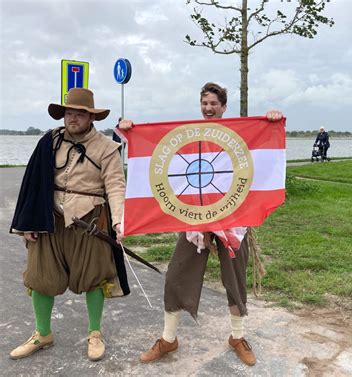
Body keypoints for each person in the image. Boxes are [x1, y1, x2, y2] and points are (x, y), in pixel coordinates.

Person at [119, 82, 283, 366]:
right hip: (194, 220)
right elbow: (156, 151)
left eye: (214, 104)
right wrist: (127, 129)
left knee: (235, 280)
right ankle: (168, 340)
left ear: (223, 107)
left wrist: (271, 121)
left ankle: (237, 336)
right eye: (204, 103)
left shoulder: (237, 134)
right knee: (176, 276)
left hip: (232, 222)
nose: (208, 108)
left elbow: (261, 153)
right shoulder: (187, 134)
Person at [9, 88, 128, 362]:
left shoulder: (107, 148)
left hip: (90, 223)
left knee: (95, 278)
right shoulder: (49, 142)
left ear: (91, 117)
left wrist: (119, 220)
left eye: (80, 113)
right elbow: (33, 183)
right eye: (69, 113)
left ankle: (95, 333)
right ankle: (42, 333)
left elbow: (115, 186)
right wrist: (28, 220)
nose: (72, 118)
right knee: (40, 277)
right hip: (49, 220)